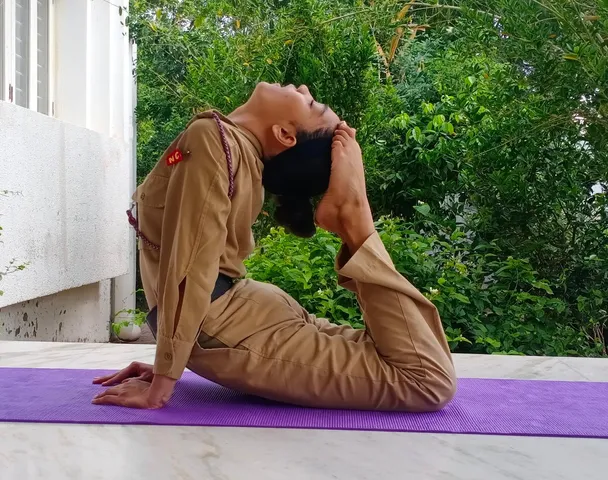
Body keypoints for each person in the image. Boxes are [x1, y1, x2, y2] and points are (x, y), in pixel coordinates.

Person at [92, 83, 456, 411]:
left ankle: (355, 217)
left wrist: (163, 379)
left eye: (310, 102)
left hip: (232, 320)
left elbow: (190, 262)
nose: (302, 87)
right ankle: (353, 215)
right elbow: (191, 255)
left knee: (424, 377)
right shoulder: (229, 146)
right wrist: (173, 357)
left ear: (284, 134)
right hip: (238, 316)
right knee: (421, 370)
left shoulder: (217, 142)